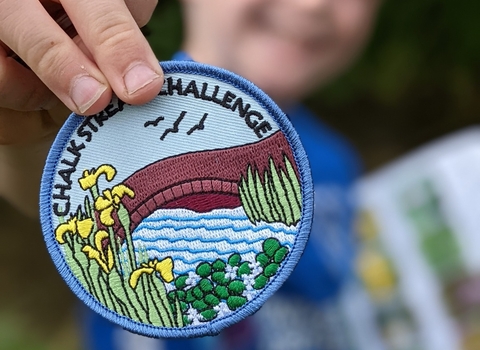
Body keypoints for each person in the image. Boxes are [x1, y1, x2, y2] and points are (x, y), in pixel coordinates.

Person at [0, 0, 380, 349]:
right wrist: (30, 118)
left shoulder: (335, 160)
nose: (312, 5)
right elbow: (44, 172)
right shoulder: (116, 115)